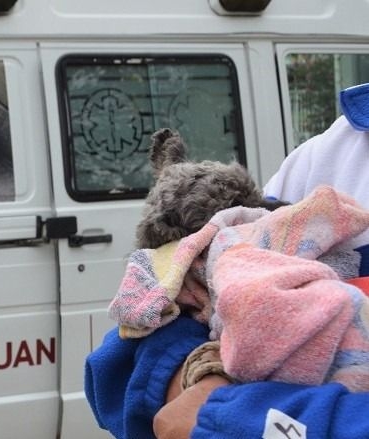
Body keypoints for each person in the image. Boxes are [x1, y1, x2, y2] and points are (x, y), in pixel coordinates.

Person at [85, 82, 369, 439]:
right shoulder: (331, 153)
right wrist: (192, 369)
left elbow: (185, 413)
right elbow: (121, 361)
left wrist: (229, 415)